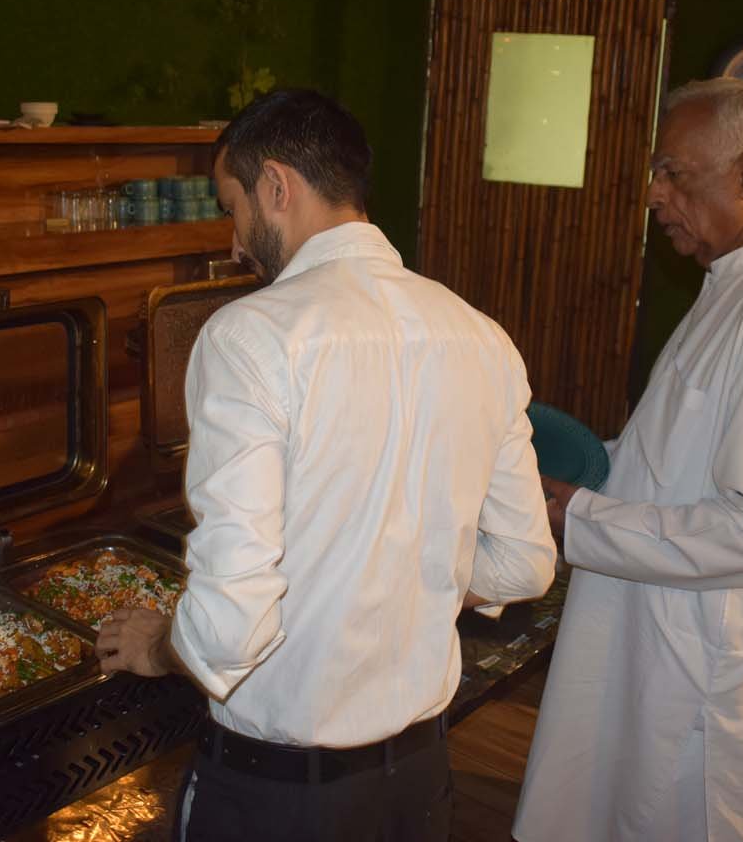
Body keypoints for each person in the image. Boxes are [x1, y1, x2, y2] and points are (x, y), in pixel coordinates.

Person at [95, 89, 557, 842]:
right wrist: (393, 584)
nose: (235, 244)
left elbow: (229, 625)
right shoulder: (482, 336)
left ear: (277, 186)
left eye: (233, 207)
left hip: (280, 801)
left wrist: (155, 643)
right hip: (419, 784)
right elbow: (523, 565)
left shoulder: (249, 336)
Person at [514, 80, 743, 841]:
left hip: (714, 675)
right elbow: (677, 452)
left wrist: (583, 518)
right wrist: (580, 470)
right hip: (671, 636)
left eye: (673, 173)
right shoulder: (737, 284)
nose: (653, 193)